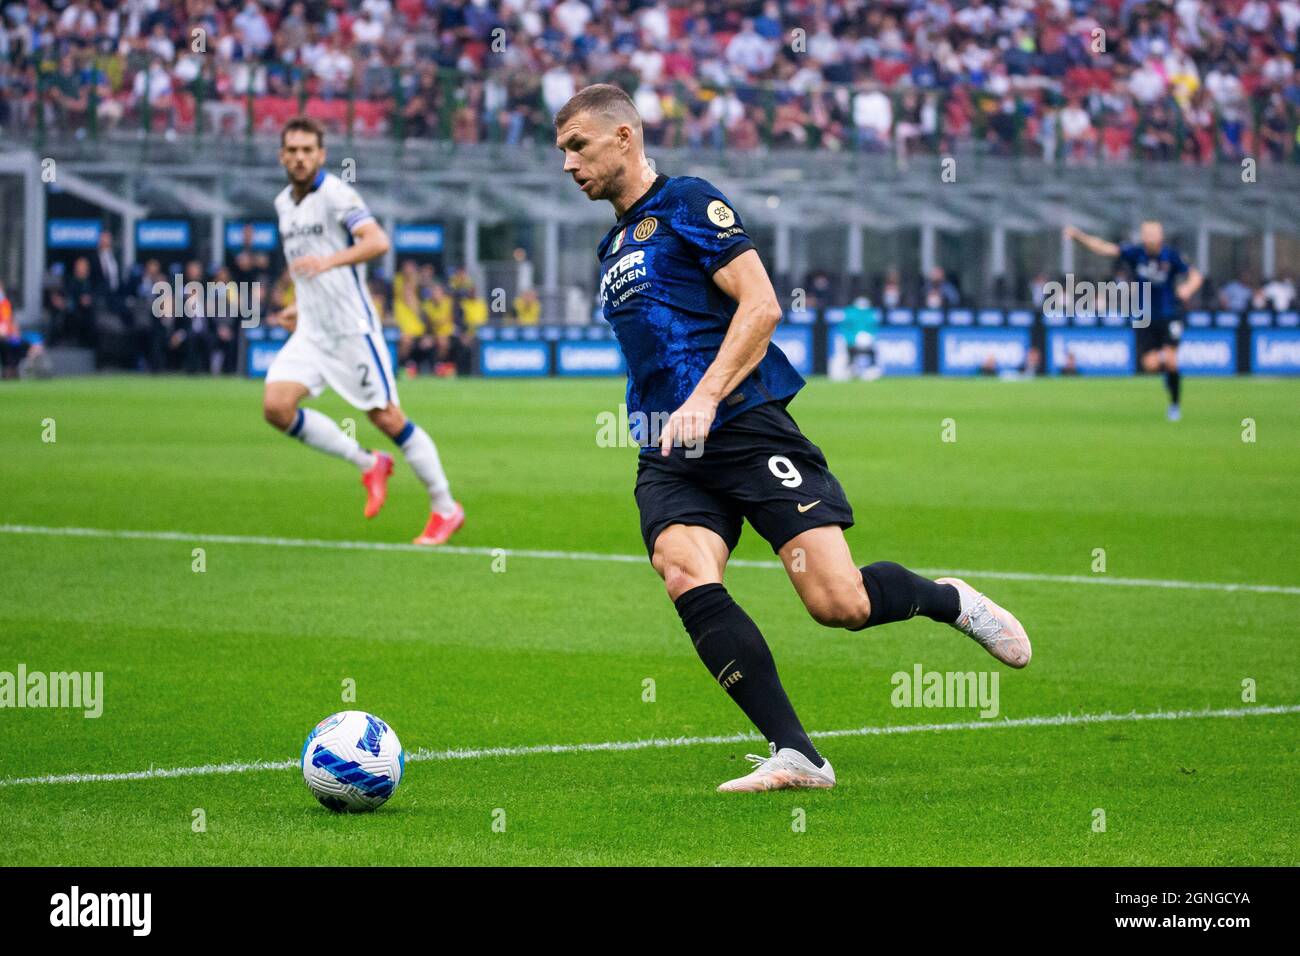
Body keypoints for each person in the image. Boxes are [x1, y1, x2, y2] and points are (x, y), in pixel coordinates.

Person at [555, 84, 1031, 793]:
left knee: (840, 604)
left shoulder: (687, 201)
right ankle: (798, 754)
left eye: (577, 146)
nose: (567, 164)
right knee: (682, 569)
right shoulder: (613, 242)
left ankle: (947, 599)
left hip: (744, 425)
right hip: (670, 451)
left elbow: (762, 304)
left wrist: (706, 398)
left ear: (625, 137)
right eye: (561, 151)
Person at [262, 117, 463, 545]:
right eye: (291, 150)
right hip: (312, 331)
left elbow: (377, 242)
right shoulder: (283, 204)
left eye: (307, 150)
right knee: (276, 407)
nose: (299, 157)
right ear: (282, 155)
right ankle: (368, 463)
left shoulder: (336, 193)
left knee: (386, 417)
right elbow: (311, 267)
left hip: (352, 331)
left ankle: (446, 508)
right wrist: (299, 306)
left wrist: (329, 263)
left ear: (320, 155)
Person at [1064, 221, 1202, 421]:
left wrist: (1187, 289)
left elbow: (1195, 276)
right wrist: (1080, 237)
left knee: (1172, 361)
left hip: (1169, 315)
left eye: (1154, 233)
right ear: (1142, 236)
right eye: (1147, 233)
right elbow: (1104, 248)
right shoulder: (1136, 253)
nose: (1151, 236)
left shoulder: (1172, 256)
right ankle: (1170, 378)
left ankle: (1174, 405)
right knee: (1150, 365)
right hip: (1144, 317)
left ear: (1161, 235)